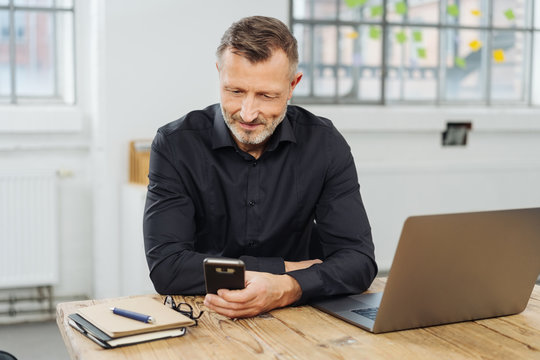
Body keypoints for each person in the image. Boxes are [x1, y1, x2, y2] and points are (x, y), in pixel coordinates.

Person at [143, 16, 377, 318]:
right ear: (219, 74)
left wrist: (285, 287)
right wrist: (287, 269)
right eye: (235, 91)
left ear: (293, 85)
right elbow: (167, 268)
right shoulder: (175, 145)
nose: (248, 113)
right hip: (208, 312)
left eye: (267, 95)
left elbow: (359, 261)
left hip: (302, 312)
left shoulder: (325, 143)